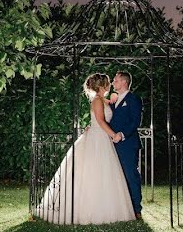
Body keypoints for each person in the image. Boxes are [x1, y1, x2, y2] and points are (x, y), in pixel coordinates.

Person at [34, 73, 136, 224]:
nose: (110, 84)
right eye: (108, 82)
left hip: (102, 138)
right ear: (102, 86)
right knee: (93, 173)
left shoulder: (103, 100)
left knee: (104, 173)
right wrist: (114, 135)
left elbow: (106, 115)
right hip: (98, 138)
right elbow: (101, 122)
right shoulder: (96, 100)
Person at [108, 70, 143, 220]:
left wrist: (121, 135)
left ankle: (136, 210)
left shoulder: (133, 99)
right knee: (115, 177)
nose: (112, 83)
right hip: (110, 145)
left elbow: (135, 121)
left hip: (127, 144)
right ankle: (120, 208)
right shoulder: (113, 100)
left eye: (115, 80)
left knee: (130, 176)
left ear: (124, 82)